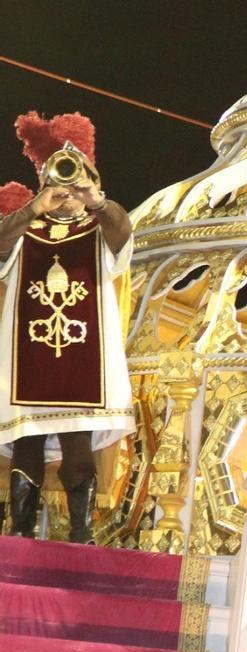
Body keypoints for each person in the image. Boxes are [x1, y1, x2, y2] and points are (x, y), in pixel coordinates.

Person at [0, 112, 134, 544]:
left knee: (78, 446)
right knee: (28, 443)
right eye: (61, 181)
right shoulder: (26, 229)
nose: (68, 191)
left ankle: (81, 533)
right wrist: (32, 209)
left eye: (78, 181)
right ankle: (18, 533)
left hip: (84, 360)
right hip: (28, 358)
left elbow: (122, 231)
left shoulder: (100, 228)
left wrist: (95, 201)